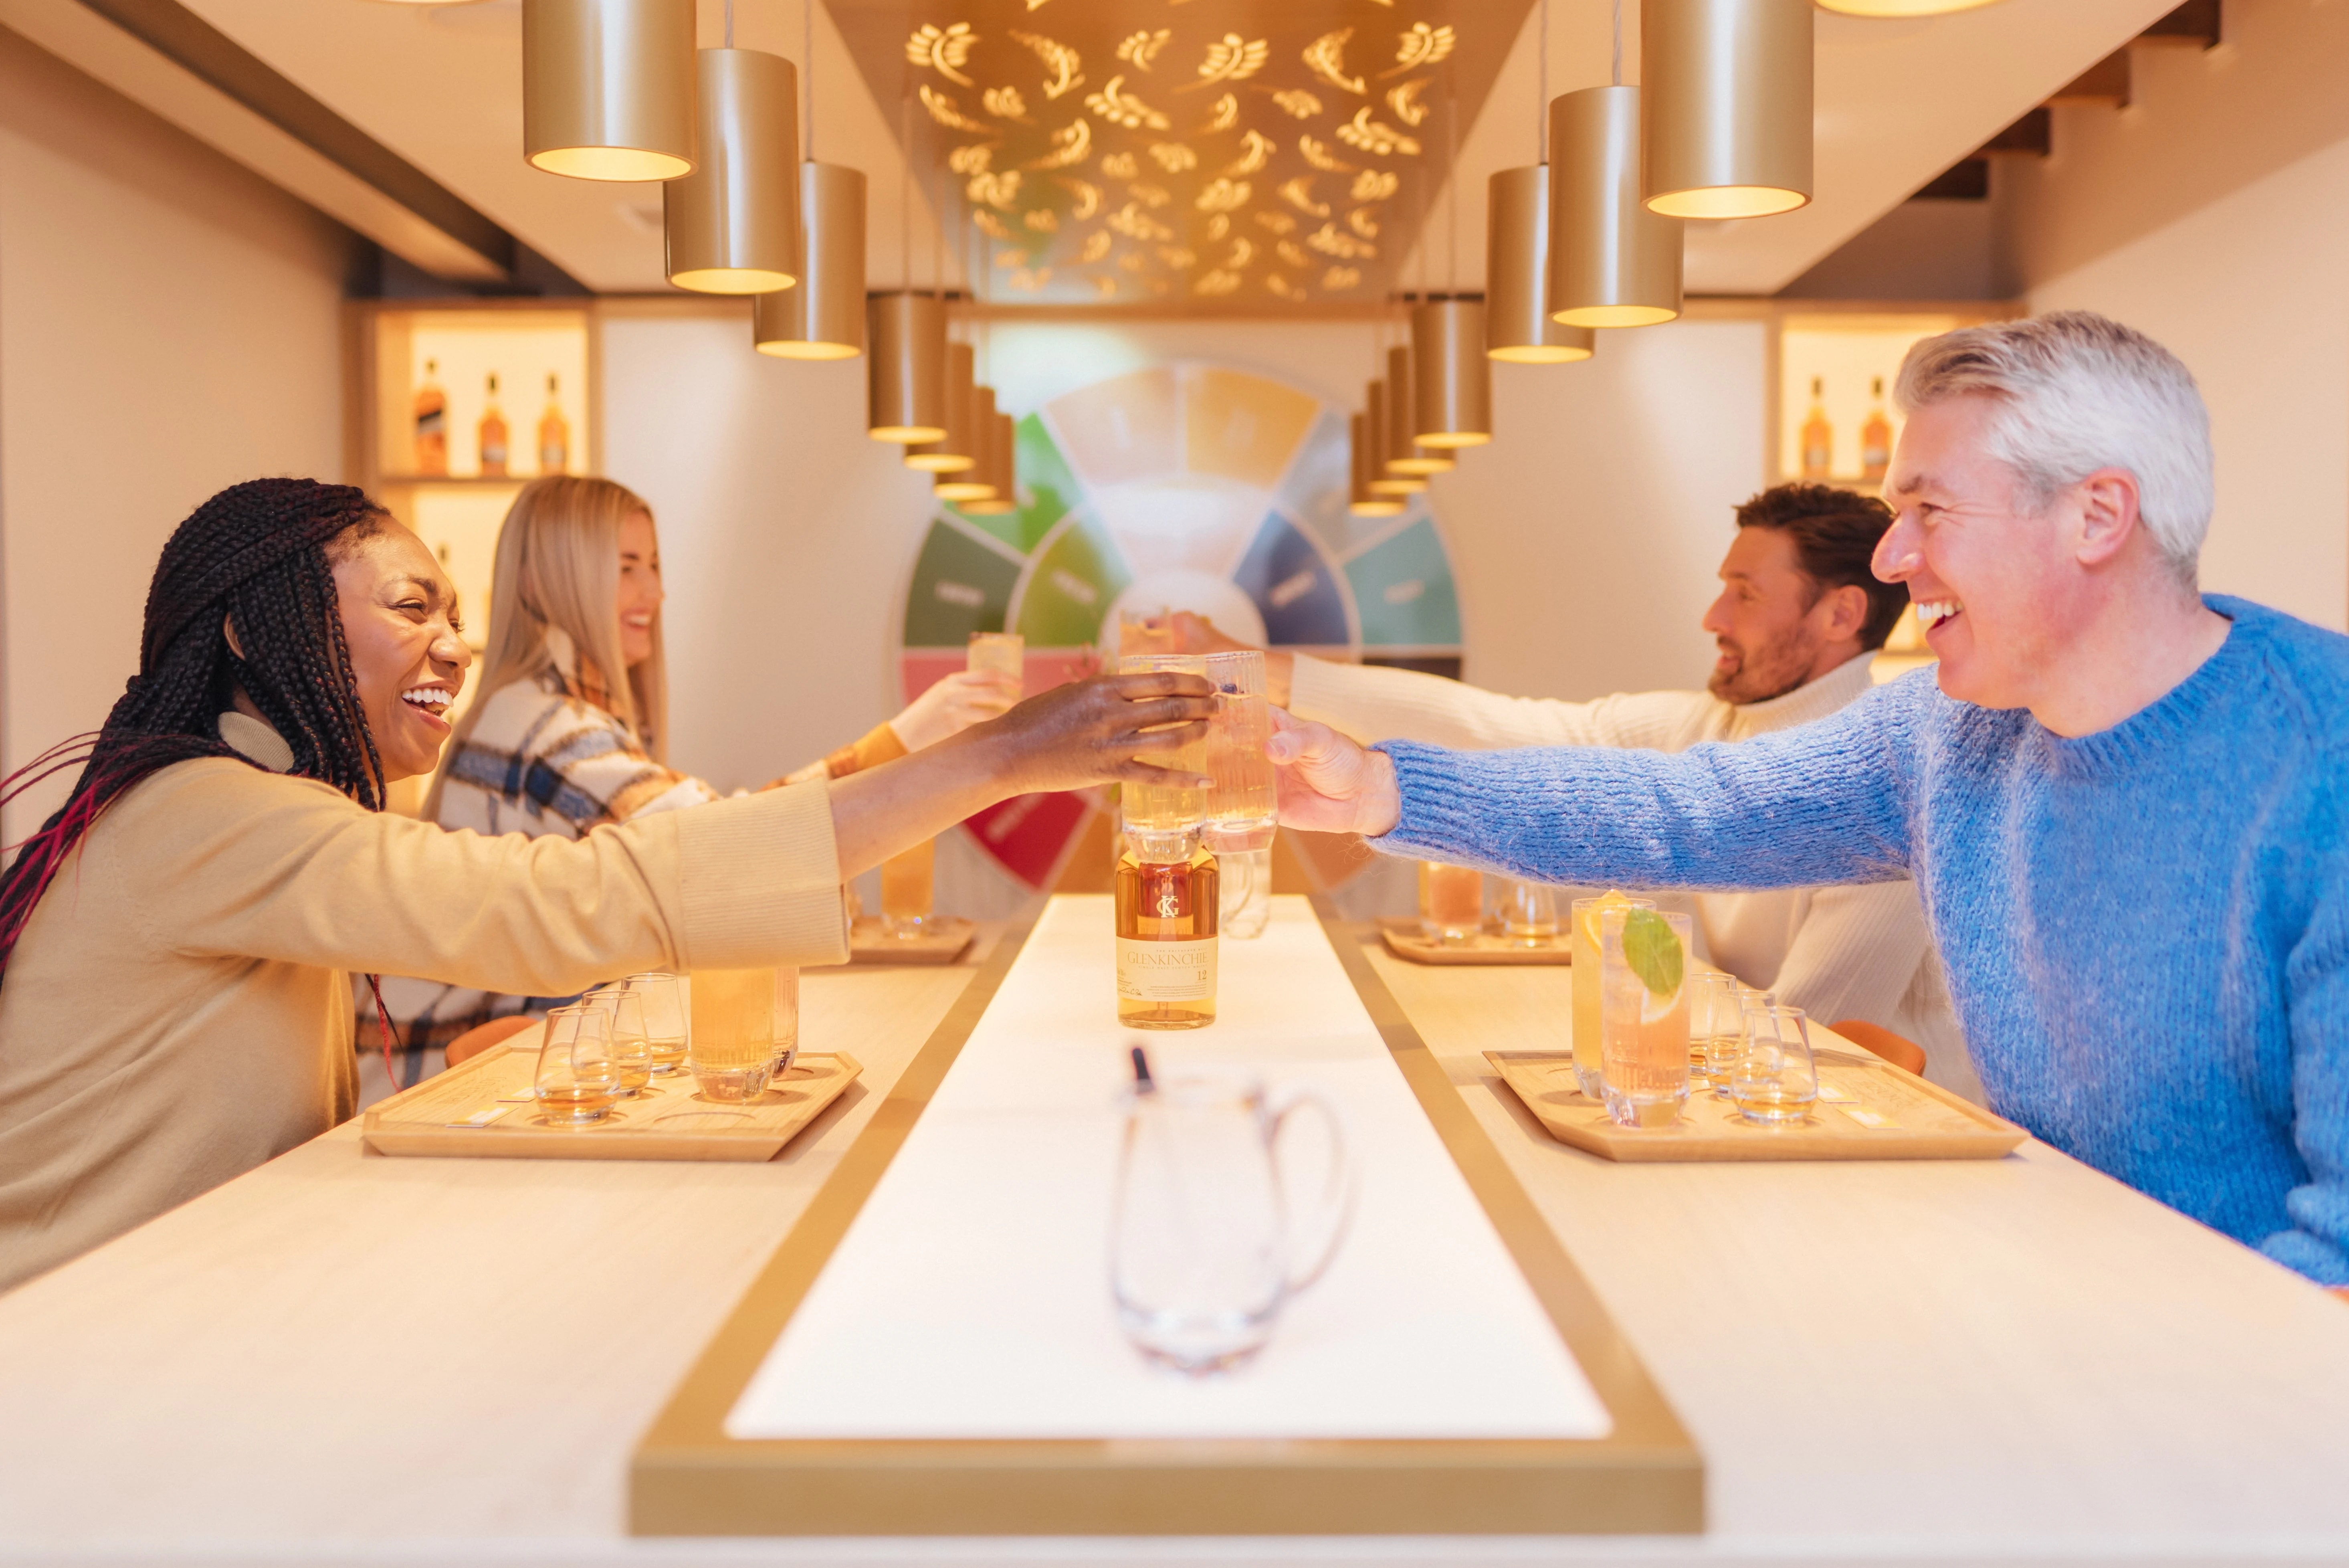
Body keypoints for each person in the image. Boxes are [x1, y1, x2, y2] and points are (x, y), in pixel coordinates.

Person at [1267, 311, 2349, 1289]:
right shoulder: (1946, 732)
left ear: (2096, 516)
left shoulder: (2320, 765)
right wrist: (1379, 788)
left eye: (1927, 511)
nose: (1893, 558)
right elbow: (1687, 808)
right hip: (2036, 1291)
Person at [0, 478, 1211, 1293]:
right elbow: (587, 900)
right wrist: (995, 758)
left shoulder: (215, 803)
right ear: (256, 637)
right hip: (78, 1341)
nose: (453, 647)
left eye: (456, 614)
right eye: (412, 607)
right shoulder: (211, 812)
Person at [1158, 483, 1976, 1099]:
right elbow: (1490, 726)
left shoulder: (1886, 787)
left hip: (1864, 1155)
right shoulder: (1696, 727)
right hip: (1726, 1097)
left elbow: (1800, 1042)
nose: (1710, 615)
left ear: (1840, 615)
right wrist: (1265, 674)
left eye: (1745, 593)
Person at [375, 476, 1016, 1071]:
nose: (654, 593)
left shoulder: (540, 710)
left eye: (653, 567)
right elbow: (724, 848)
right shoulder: (541, 725)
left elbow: (707, 846)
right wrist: (905, 741)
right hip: (448, 1084)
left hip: (499, 1063)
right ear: (542, 582)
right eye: (625, 569)